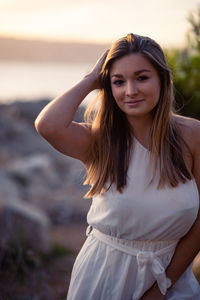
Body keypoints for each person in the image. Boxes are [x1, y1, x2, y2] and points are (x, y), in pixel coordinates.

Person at [35, 33, 200, 300]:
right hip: (104, 277)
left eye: (142, 77)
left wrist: (163, 285)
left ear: (162, 79)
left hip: (173, 280)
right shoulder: (99, 140)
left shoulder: (193, 135)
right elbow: (47, 125)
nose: (130, 91)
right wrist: (90, 80)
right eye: (118, 82)